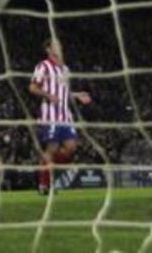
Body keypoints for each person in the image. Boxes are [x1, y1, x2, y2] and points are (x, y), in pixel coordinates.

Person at [29, 38, 91, 194]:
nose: (60, 47)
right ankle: (44, 185)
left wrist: (77, 95)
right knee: (52, 148)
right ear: (48, 50)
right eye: (56, 45)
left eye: (60, 45)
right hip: (50, 115)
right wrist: (48, 95)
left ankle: (46, 169)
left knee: (71, 148)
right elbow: (32, 87)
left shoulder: (65, 69)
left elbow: (64, 93)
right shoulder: (43, 66)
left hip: (65, 116)